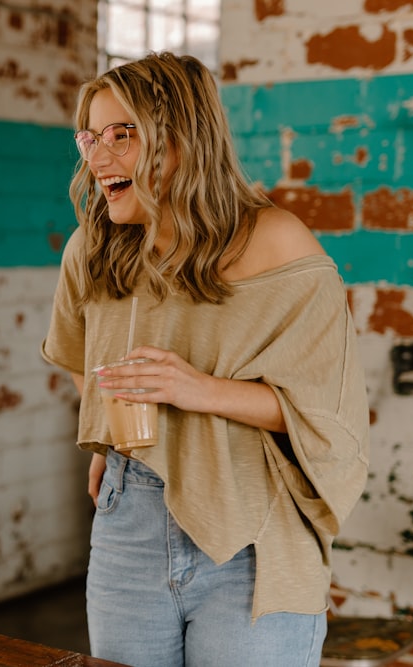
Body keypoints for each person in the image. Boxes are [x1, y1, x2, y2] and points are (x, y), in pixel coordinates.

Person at [41, 52, 370, 667]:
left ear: (183, 137)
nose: (99, 157)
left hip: (250, 521)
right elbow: (79, 356)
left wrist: (196, 389)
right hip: (127, 515)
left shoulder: (276, 241)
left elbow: (328, 408)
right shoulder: (93, 248)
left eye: (123, 135)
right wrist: (107, 440)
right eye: (91, 137)